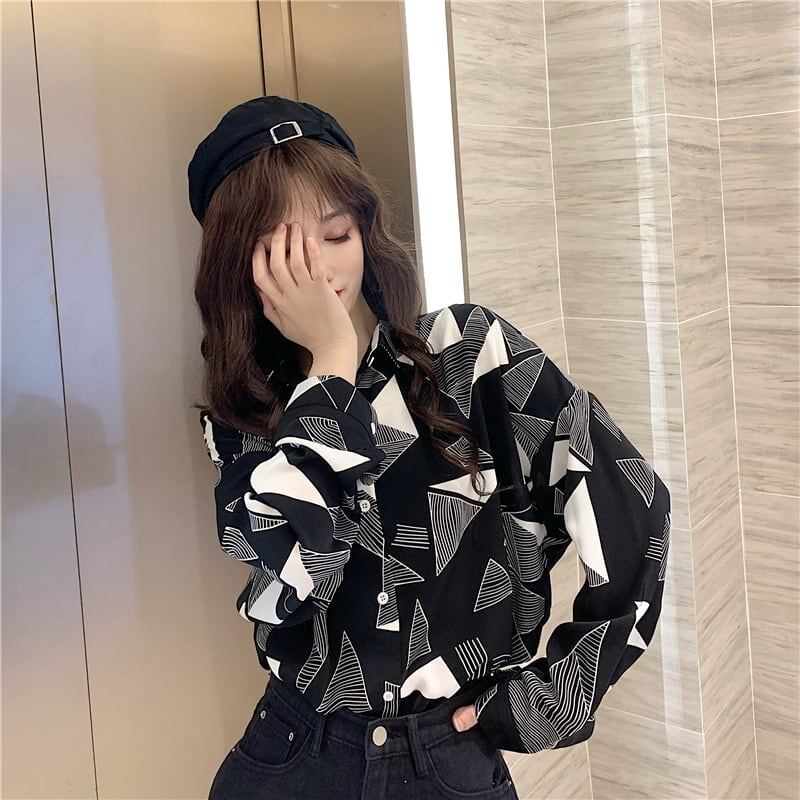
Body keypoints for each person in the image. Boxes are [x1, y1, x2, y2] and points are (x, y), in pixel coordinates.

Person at [188, 96, 671, 800]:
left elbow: (634, 504)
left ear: (365, 230)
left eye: (336, 234)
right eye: (285, 253)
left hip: (449, 756)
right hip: (296, 753)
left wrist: (551, 698)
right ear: (242, 267)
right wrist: (331, 362)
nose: (320, 272)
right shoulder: (246, 414)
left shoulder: (470, 354)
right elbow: (300, 566)